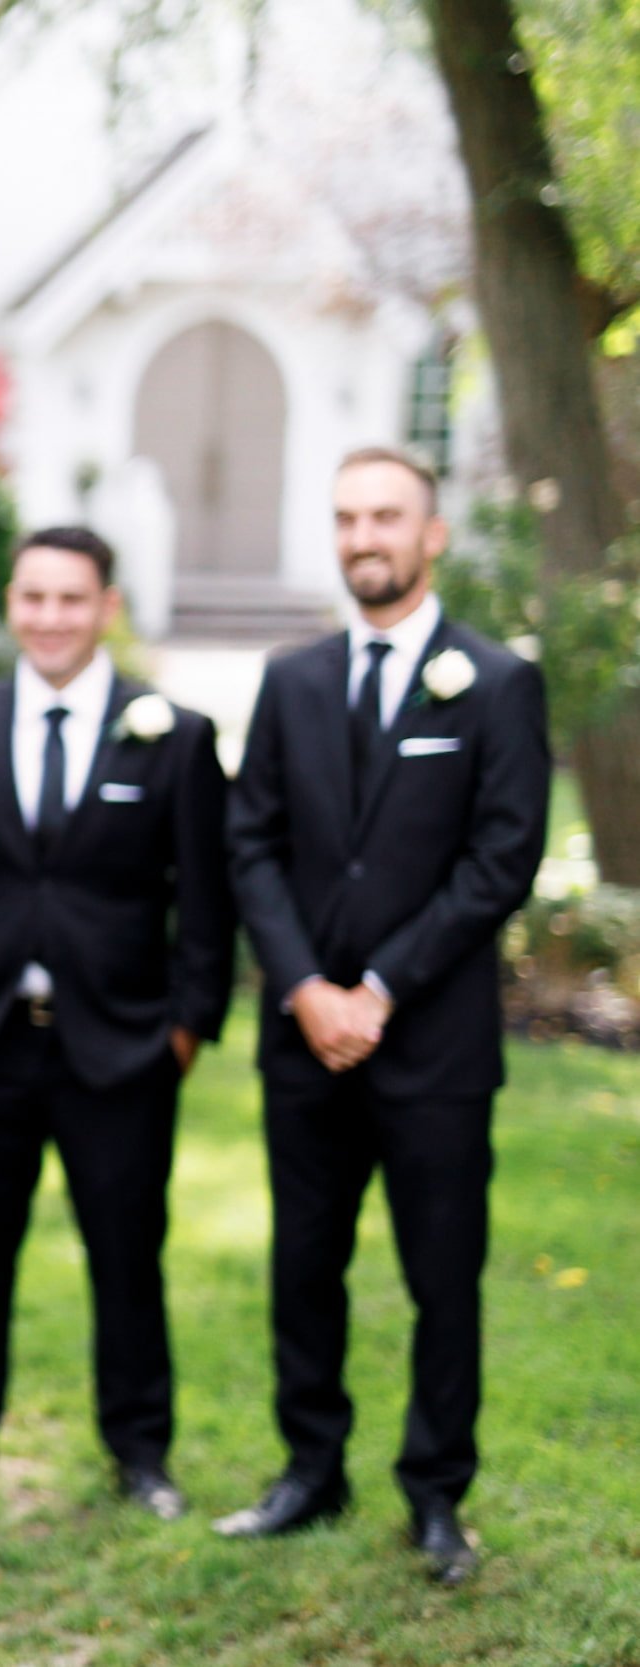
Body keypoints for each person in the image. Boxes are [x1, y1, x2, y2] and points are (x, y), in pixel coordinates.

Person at [217, 448, 548, 1584]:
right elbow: (248, 839)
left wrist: (381, 987)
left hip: (434, 1044)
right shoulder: (292, 677)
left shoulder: (496, 682)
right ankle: (310, 1467)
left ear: (433, 533)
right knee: (303, 1262)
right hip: (304, 1037)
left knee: (439, 1272)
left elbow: (501, 857)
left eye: (386, 516)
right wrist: (306, 985)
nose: (364, 535)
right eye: (347, 516)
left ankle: (436, 1490)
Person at [0, 526, 234, 1519]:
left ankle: (138, 1448)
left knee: (126, 1252)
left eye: (70, 599)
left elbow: (207, 907)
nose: (49, 617)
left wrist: (184, 1031)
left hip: (121, 1047)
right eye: (32, 597)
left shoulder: (175, 734)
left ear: (105, 608)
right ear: (11, 606)